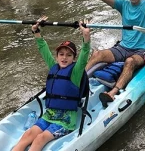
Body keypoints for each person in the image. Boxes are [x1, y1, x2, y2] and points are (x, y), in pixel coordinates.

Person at [12, 16, 91, 151]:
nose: (64, 58)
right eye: (61, 54)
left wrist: (86, 36)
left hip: (66, 120)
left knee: (39, 139)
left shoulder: (76, 72)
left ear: (73, 58)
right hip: (50, 114)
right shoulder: (53, 67)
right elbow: (44, 49)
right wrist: (36, 32)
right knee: (28, 134)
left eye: (69, 55)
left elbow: (85, 53)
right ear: (57, 56)